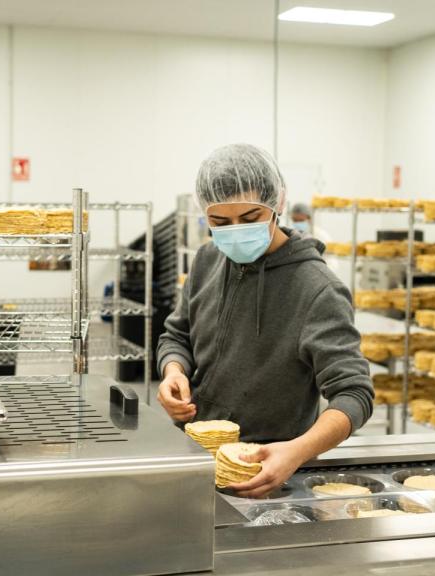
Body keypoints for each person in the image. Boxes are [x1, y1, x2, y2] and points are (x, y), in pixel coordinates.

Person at [157, 144, 374, 498]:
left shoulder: (318, 290)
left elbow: (354, 394)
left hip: (266, 474)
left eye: (250, 218)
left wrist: (297, 451)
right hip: (195, 460)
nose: (235, 231)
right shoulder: (207, 260)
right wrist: (174, 372)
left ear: (279, 204)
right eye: (220, 222)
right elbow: (177, 335)